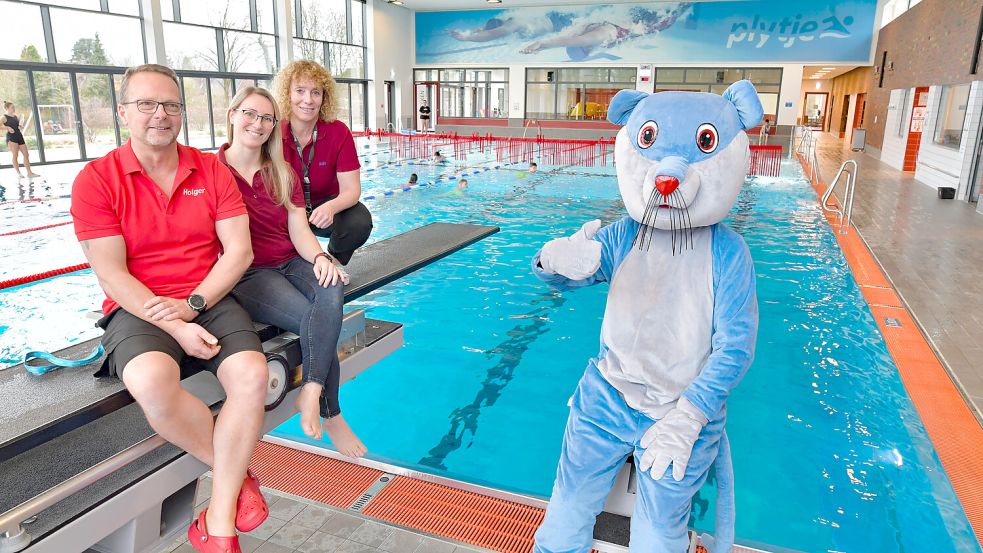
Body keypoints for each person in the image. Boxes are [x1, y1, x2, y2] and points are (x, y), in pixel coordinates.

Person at [70, 64, 269, 553]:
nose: (160, 114)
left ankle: (218, 526)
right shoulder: (97, 179)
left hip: (207, 294)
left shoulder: (210, 169)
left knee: (252, 375)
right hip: (136, 306)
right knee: (152, 384)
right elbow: (111, 273)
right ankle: (236, 480)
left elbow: (238, 251)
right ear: (123, 113)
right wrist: (177, 326)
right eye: (147, 104)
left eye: (171, 105)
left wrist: (195, 304)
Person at [219, 86, 367, 459]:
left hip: (291, 259)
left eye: (267, 118)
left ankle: (312, 389)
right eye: (250, 114)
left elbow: (299, 227)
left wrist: (319, 258)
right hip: (250, 273)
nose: (258, 124)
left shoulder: (279, 171)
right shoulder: (212, 172)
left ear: (273, 125)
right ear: (233, 114)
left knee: (331, 288)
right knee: (312, 318)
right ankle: (332, 414)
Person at [275, 60, 372, 277]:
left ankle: (333, 262)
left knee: (359, 221)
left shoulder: (338, 132)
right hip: (286, 209)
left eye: (315, 92)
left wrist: (332, 207)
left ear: (324, 97)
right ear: (287, 94)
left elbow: (352, 190)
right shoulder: (273, 133)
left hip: (322, 208)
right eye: (300, 91)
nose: (308, 100)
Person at [3, 102, 39, 179]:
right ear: (7, 108)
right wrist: (7, 128)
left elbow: (17, 126)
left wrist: (20, 126)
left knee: (26, 154)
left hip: (19, 136)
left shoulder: (15, 116)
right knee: (15, 155)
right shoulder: (4, 117)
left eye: (14, 107)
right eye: (12, 107)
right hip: (11, 138)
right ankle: (18, 173)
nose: (14, 108)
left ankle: (29, 173)